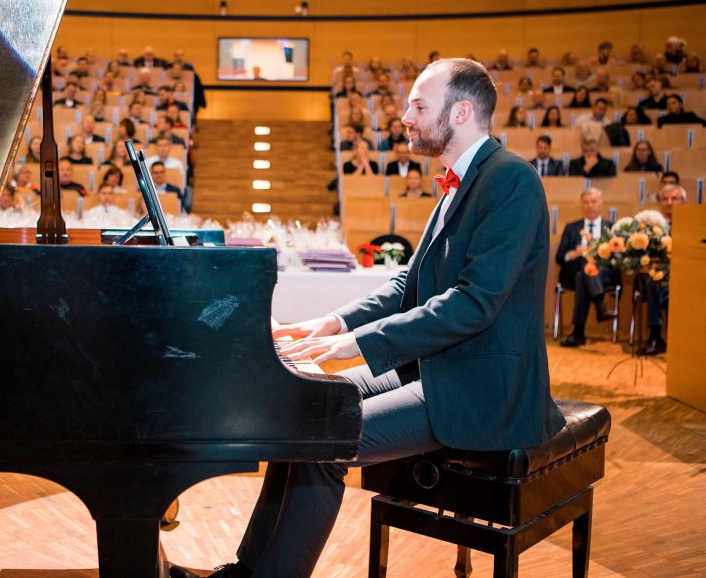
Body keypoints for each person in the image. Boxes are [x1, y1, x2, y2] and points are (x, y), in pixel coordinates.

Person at [170, 58, 566, 578]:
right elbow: (410, 284)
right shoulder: (461, 182)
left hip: (482, 386)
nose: (404, 116)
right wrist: (333, 325)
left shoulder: (511, 181)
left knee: (325, 441)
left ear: (462, 111)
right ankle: (246, 572)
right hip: (437, 370)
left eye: (419, 106)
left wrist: (357, 347)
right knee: (303, 408)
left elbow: (473, 303)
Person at [557, 189, 619, 347]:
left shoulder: (611, 228)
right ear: (581, 205)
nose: (590, 205)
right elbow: (559, 256)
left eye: (593, 201)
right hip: (574, 268)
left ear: (601, 204)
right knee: (584, 264)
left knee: (582, 275)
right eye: (586, 202)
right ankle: (600, 305)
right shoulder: (571, 227)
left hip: (603, 272)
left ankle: (578, 332)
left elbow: (618, 258)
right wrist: (570, 254)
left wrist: (598, 254)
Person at [638, 184, 687, 355]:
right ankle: (655, 335)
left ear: (684, 202)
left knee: (657, 283)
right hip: (660, 278)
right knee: (654, 281)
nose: (669, 202)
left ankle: (657, 335)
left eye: (674, 198)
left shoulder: (692, 225)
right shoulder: (651, 226)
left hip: (686, 280)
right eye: (665, 199)